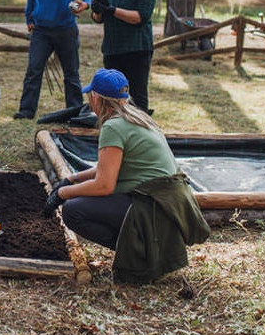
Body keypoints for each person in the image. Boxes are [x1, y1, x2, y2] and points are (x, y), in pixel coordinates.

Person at [43, 68, 209, 283]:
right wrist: (72, 179)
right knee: (80, 198)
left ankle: (143, 254)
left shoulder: (113, 126)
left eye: (90, 96)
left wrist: (62, 193)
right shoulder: (138, 118)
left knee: (74, 210)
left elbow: (104, 185)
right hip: (168, 204)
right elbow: (109, 167)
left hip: (153, 207)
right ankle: (146, 249)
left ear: (96, 98)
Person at [14, 0, 96, 120]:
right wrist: (29, 18)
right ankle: (26, 111)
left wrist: (85, 3)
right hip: (41, 30)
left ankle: (75, 112)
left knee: (71, 73)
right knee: (33, 70)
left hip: (66, 28)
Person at [90, 0, 156, 114]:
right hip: (113, 48)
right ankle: (114, 124)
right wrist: (97, 10)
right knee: (112, 94)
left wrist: (112, 10)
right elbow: (98, 19)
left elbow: (140, 17)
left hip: (137, 49)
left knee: (137, 94)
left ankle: (140, 124)